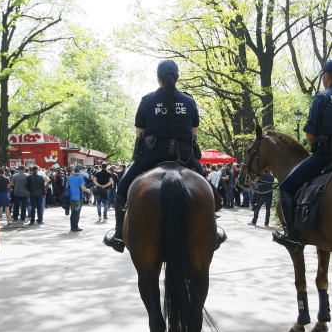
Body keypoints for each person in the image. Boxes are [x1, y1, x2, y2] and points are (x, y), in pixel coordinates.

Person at [104, 59, 225, 253]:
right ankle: (215, 231)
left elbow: (140, 136)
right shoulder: (189, 101)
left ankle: (119, 235)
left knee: (123, 188)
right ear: (177, 77)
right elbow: (194, 134)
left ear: (158, 78)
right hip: (185, 156)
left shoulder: (147, 100)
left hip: (152, 155)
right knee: (208, 190)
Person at [273, 60, 332, 252]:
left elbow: (310, 136)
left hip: (329, 155)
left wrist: (317, 147)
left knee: (286, 187)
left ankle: (292, 235)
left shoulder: (322, 97)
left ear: (326, 77)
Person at [66, 166, 91, 231]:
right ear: (79, 171)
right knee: (77, 212)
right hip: (78, 196)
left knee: (73, 212)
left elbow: (67, 186)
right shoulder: (80, 177)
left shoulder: (70, 177)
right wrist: (87, 190)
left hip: (71, 196)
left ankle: (72, 226)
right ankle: (75, 227)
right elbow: (82, 187)